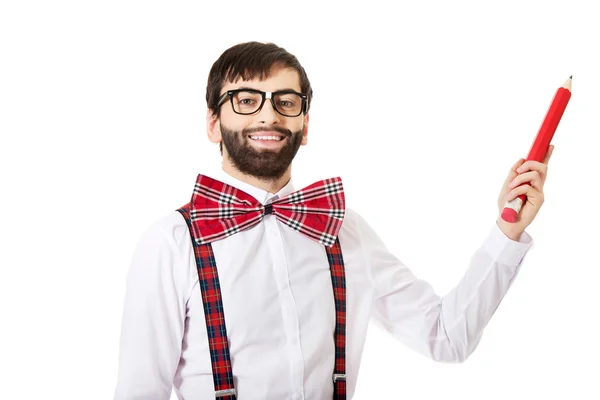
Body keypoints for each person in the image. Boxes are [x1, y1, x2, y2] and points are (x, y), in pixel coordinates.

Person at [113, 41, 553, 400]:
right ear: (213, 123)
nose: (268, 114)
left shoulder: (344, 231)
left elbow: (445, 337)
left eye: (286, 101)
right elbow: (140, 392)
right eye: (246, 100)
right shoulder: (170, 243)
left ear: (305, 125)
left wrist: (507, 230)